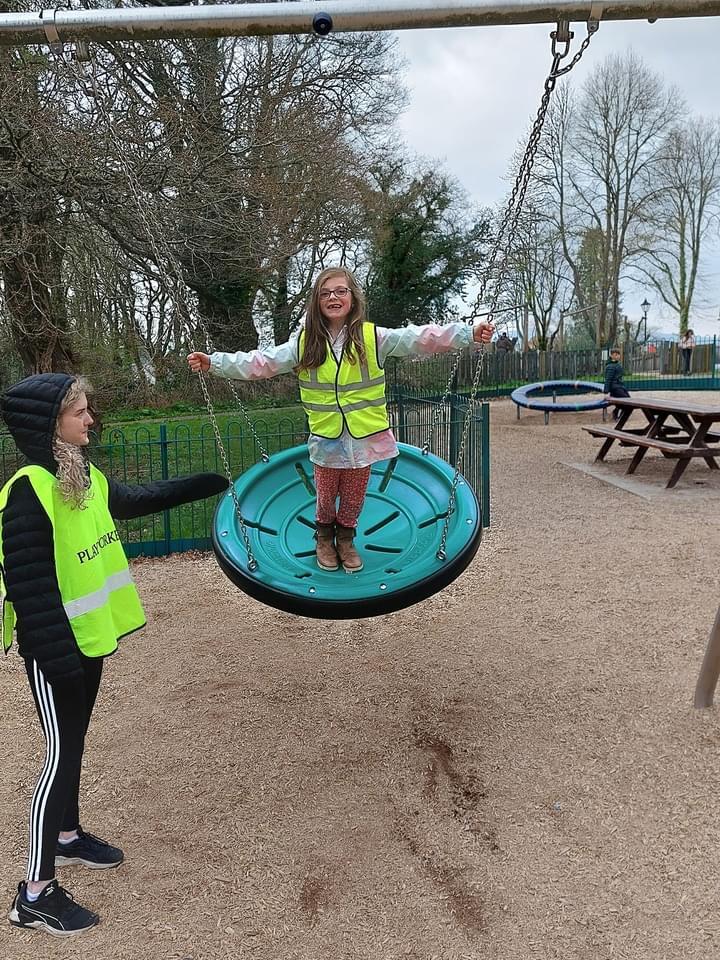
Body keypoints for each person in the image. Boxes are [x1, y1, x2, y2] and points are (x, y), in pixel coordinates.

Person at [0, 373, 228, 936]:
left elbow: (134, 500)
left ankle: (68, 835)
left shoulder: (81, 475)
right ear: (50, 423)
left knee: (75, 744)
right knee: (58, 756)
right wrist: (58, 662)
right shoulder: (29, 491)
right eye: (80, 411)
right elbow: (31, 590)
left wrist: (209, 483)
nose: (90, 419)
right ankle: (34, 895)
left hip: (90, 640)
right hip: (55, 651)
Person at [188, 267, 494, 573]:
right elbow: (261, 362)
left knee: (353, 497)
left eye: (340, 291)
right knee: (325, 495)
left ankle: (345, 539)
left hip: (364, 438)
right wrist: (214, 362)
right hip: (327, 439)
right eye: (325, 293)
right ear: (316, 301)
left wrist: (467, 334)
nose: (333, 297)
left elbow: (419, 338)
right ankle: (324, 537)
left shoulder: (373, 338)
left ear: (353, 298)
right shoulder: (304, 343)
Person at [604, 346, 630, 420]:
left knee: (628, 401)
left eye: (618, 354)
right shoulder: (610, 366)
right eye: (616, 355)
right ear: (611, 355)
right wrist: (606, 390)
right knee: (628, 402)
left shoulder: (616, 364)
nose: (618, 356)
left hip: (619, 387)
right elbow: (608, 379)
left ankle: (616, 413)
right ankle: (620, 417)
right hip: (615, 388)